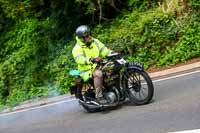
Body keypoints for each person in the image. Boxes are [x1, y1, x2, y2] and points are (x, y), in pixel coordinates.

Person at [72, 25, 112, 103]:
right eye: (86, 36)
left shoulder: (95, 42)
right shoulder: (77, 48)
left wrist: (112, 54)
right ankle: (99, 97)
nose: (89, 37)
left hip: (98, 65)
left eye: (89, 34)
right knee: (99, 74)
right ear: (82, 39)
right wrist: (91, 60)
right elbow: (79, 59)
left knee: (113, 67)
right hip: (87, 70)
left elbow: (105, 50)